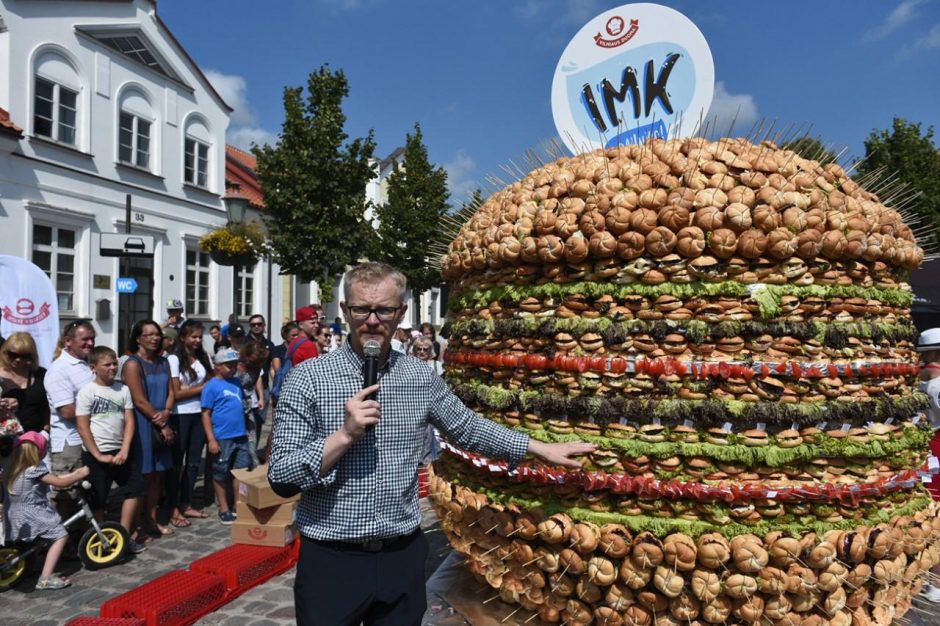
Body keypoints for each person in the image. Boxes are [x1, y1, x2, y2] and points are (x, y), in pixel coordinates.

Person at [268, 262, 593, 625]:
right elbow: (281, 476)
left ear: (401, 313)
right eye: (362, 308)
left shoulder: (420, 376)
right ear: (344, 311)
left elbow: (466, 427)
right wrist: (344, 436)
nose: (372, 320)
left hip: (400, 556)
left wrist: (538, 448)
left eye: (385, 310)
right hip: (332, 560)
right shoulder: (308, 379)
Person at [74, 346, 146, 554]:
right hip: (96, 453)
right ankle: (102, 538)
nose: (113, 367)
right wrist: (97, 454)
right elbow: (82, 425)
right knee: (98, 499)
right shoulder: (88, 392)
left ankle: (122, 535)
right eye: (107, 364)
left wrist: (125, 449)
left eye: (115, 363)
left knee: (135, 489)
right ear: (94, 367)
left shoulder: (122, 389)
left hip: (120, 450)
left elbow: (129, 421)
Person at [6, 431, 90, 590]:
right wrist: (81, 474)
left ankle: (34, 563)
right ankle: (45, 578)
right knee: (60, 535)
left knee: (36, 540)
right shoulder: (35, 469)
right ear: (40, 451)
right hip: (31, 513)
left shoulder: (14, 468)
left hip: (16, 514)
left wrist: (74, 474)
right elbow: (60, 483)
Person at [122, 320, 175, 540]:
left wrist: (167, 412)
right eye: (149, 335)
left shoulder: (164, 362)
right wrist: (162, 424)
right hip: (144, 424)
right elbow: (139, 400)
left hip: (163, 419)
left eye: (157, 334)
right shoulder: (133, 364)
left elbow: (171, 391)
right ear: (138, 338)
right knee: (143, 476)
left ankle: (151, 520)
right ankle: (136, 526)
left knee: (157, 476)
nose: (154, 338)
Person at [46, 320, 95, 514]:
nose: (90, 343)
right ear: (68, 341)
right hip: (69, 442)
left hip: (87, 437)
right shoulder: (59, 369)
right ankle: (58, 539)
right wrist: (100, 419)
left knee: (84, 492)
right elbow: (67, 410)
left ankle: (78, 537)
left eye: (92, 339)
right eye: (85, 339)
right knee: (65, 495)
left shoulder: (85, 364)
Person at [201, 348, 253, 525]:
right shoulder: (211, 386)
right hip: (222, 436)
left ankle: (238, 506)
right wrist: (211, 439)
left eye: (234, 365)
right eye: (228, 365)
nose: (232, 368)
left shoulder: (237, 382)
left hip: (240, 434)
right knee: (220, 473)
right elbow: (206, 413)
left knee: (240, 472)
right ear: (217, 366)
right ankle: (223, 507)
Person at [167, 320, 212, 523]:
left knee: (194, 462)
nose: (197, 340)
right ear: (184, 337)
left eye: (199, 337)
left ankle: (187, 502)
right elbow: (176, 392)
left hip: (199, 412)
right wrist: (201, 388)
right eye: (193, 336)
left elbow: (211, 380)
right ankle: (172, 506)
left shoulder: (203, 357)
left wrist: (192, 390)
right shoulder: (175, 359)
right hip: (180, 414)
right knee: (177, 463)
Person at [918, 327, 940, 603]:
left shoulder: (925, 381)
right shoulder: (934, 382)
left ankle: (933, 579)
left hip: (930, 449)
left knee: (933, 513)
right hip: (934, 446)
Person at [0, 332, 50, 433]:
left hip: (36, 437)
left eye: (24, 356)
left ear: (31, 356)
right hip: (5, 437)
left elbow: (49, 405)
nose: (18, 359)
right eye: (13, 355)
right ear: (5, 352)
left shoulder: (41, 374)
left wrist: (47, 429)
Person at [237, 340, 268, 463]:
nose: (253, 363)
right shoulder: (235, 365)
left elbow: (257, 381)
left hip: (247, 407)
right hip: (233, 407)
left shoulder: (257, 366)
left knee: (251, 441)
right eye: (251, 359)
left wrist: (261, 397)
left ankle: (250, 467)